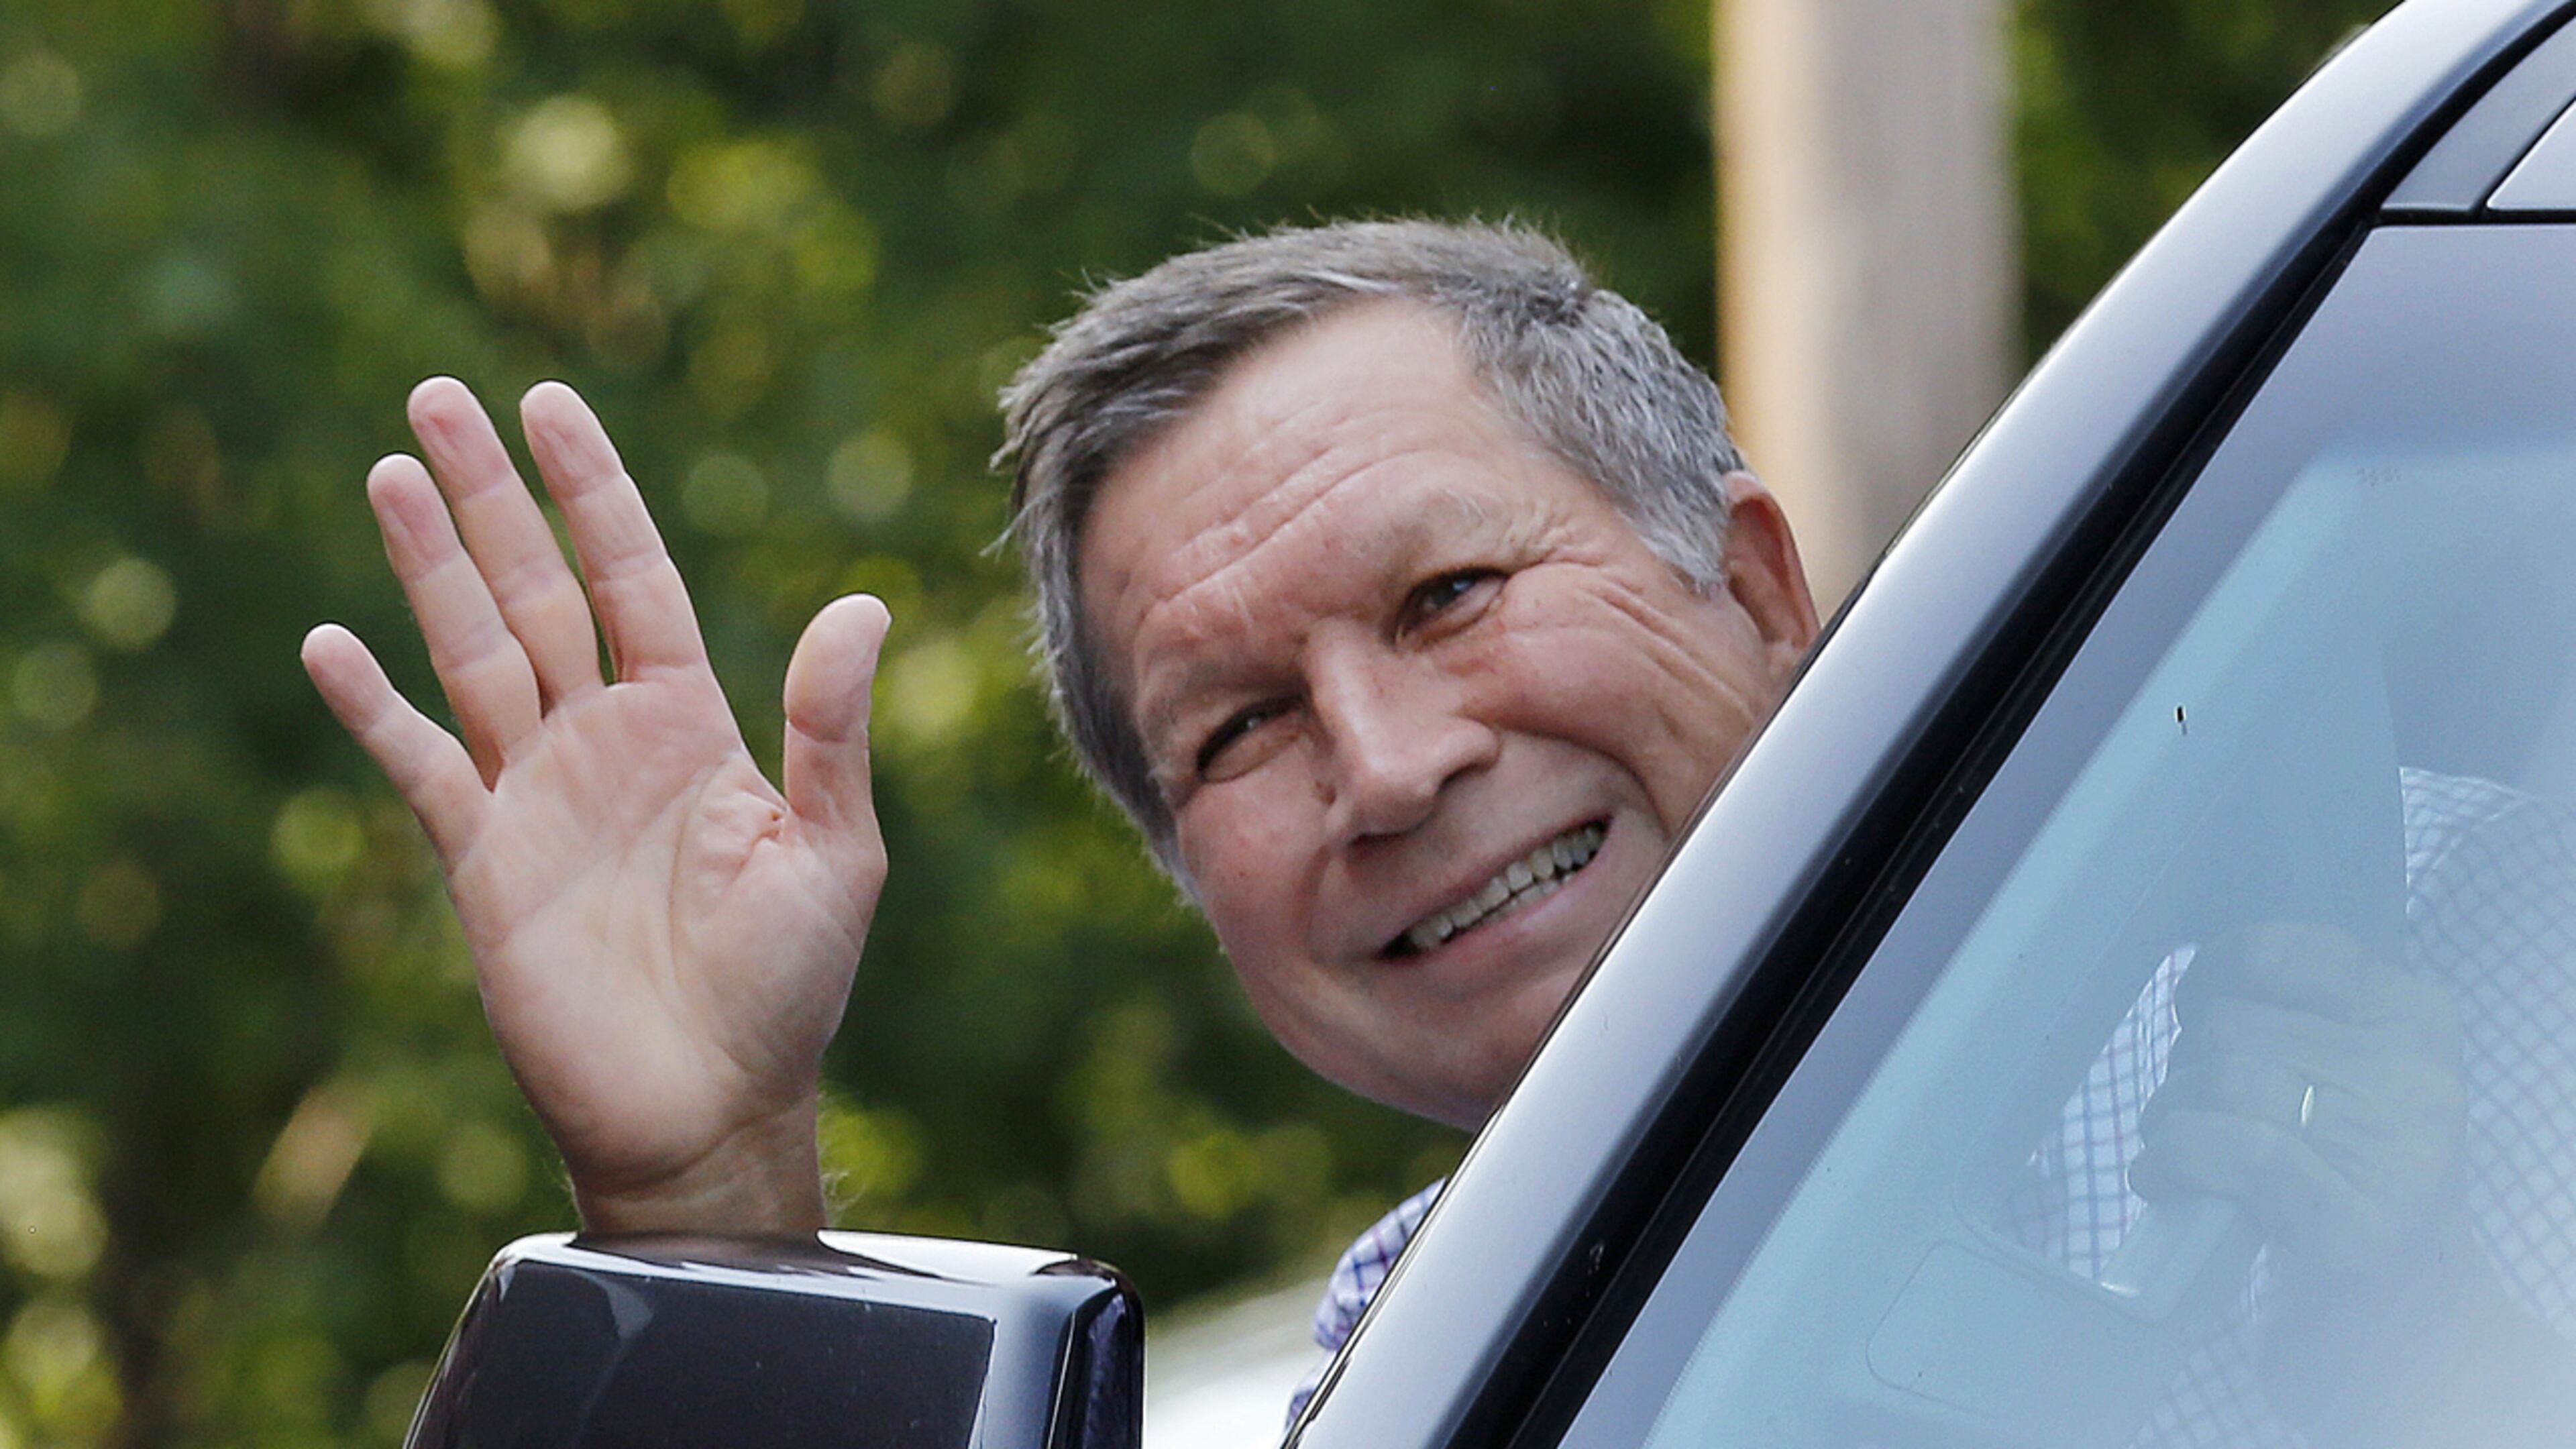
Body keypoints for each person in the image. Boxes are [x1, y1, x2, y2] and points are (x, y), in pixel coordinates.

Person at [299, 219, 2562, 1442]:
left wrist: (2406, 1309)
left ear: (1760, 588)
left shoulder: (2502, 928)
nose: (1383, 769)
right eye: (1241, 730)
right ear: (1204, 896)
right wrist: (705, 1198)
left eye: (1448, 597)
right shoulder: (1426, 1347)